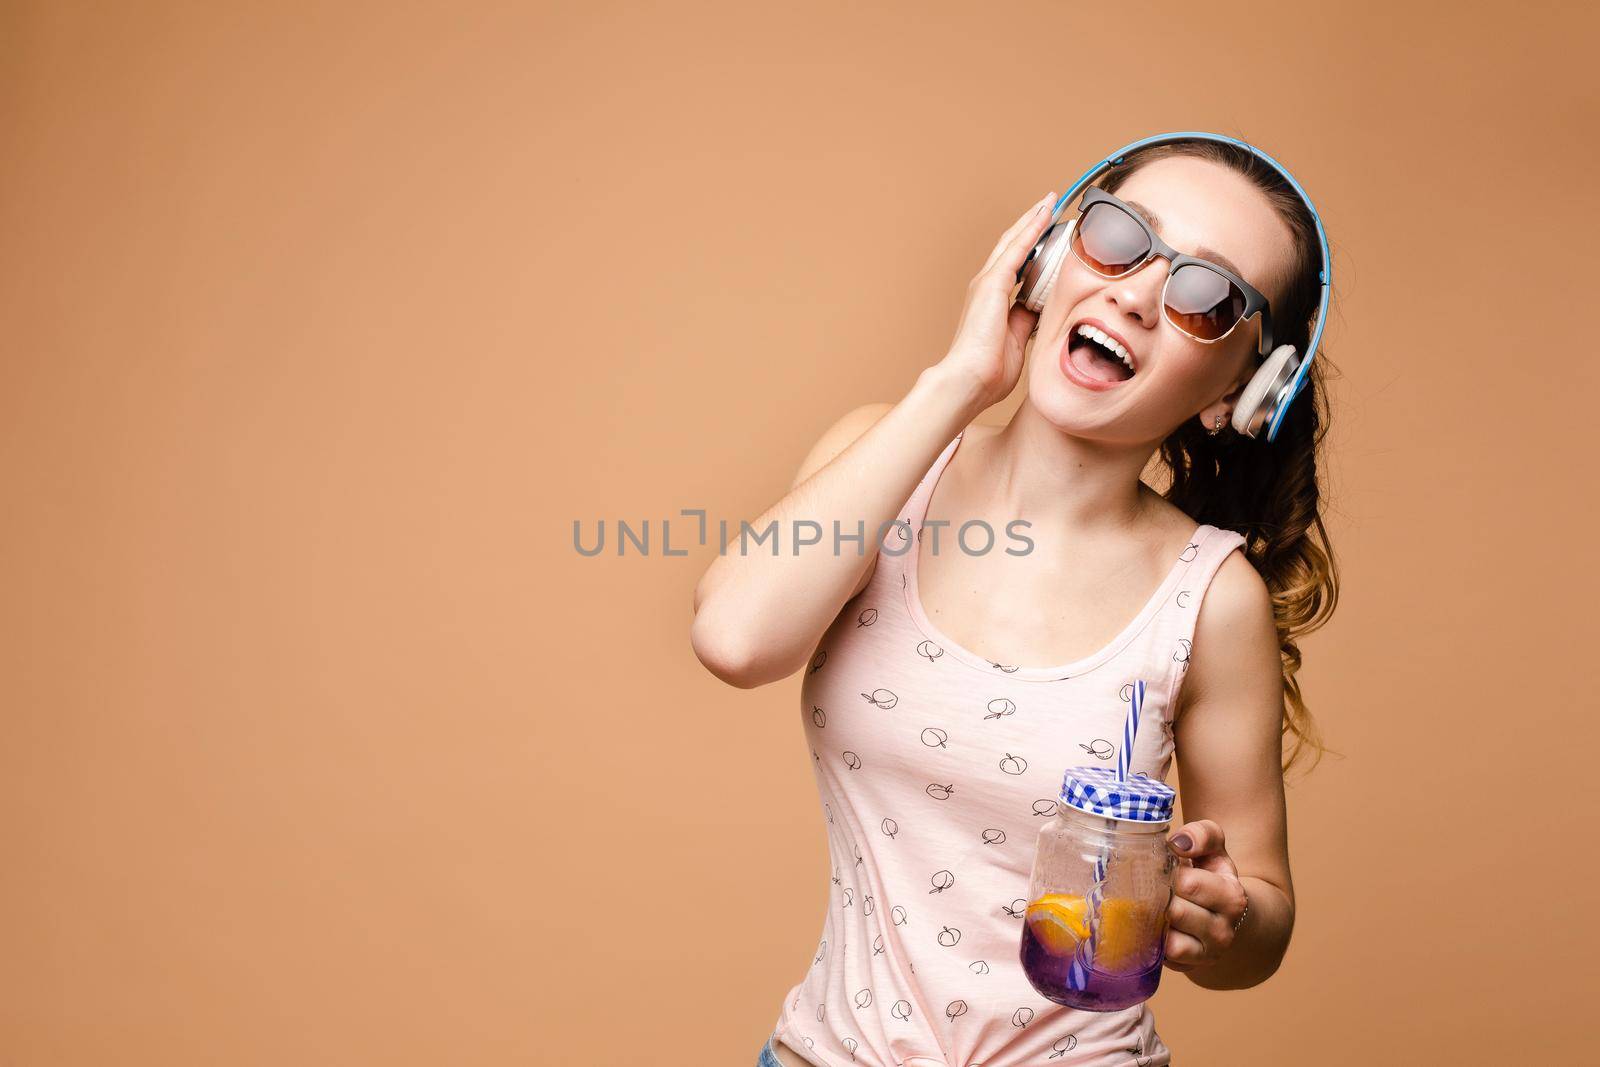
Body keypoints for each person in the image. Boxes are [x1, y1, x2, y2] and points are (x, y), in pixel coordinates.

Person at [691, 138, 1339, 1067]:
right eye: (1120, 239)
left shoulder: (1211, 598)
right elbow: (734, 636)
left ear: (1239, 389)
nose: (1139, 292)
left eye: (1205, 296)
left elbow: (1261, 912)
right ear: (1046, 258)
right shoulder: (887, 462)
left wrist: (1227, 919)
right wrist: (959, 380)